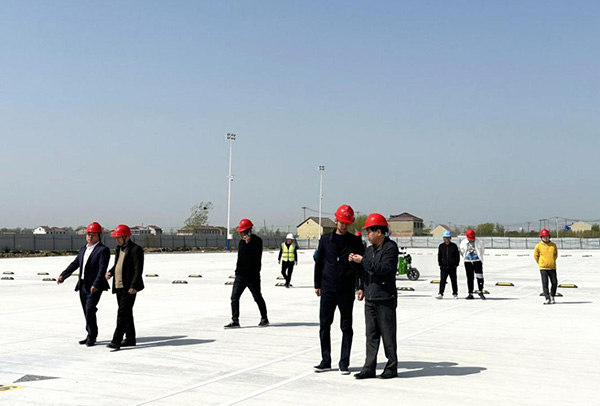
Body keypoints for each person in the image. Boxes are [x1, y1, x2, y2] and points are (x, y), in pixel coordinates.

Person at [313, 204, 364, 375]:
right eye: (342, 222)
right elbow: (319, 263)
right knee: (324, 325)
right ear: (336, 221)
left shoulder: (355, 241)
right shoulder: (325, 240)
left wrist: (361, 286)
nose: (344, 225)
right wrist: (317, 284)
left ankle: (344, 362)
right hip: (327, 289)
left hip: (346, 290)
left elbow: (361, 267)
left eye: (347, 223)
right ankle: (325, 360)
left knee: (346, 327)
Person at [350, 213, 399, 380]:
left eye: (369, 231)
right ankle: (369, 368)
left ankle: (391, 367)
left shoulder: (390, 248)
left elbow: (383, 269)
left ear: (379, 232)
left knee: (388, 335)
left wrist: (363, 261)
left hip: (385, 298)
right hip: (370, 298)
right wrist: (361, 287)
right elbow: (366, 271)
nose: (367, 235)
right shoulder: (370, 250)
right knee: (371, 335)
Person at [57, 222, 110, 346]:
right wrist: (63, 275)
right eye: (88, 234)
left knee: (90, 309)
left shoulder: (103, 250)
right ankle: (89, 333)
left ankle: (92, 336)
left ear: (99, 236)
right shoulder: (83, 249)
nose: (90, 236)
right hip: (82, 285)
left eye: (93, 234)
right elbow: (75, 264)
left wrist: (96, 284)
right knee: (86, 311)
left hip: (95, 286)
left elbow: (102, 268)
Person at [105, 224, 145, 350]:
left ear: (126, 237)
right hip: (118, 286)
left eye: (118, 237)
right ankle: (130, 338)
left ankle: (116, 341)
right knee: (127, 313)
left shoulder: (136, 249)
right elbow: (118, 264)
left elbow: (138, 270)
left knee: (122, 313)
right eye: (116, 238)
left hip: (129, 287)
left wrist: (134, 285)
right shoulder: (119, 249)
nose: (117, 240)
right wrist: (111, 272)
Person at [224, 219, 269, 328]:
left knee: (257, 297)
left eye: (242, 232)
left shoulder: (257, 241)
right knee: (234, 297)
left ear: (248, 231)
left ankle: (264, 318)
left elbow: (256, 255)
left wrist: (249, 243)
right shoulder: (241, 242)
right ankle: (235, 321)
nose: (240, 234)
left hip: (252, 276)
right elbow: (240, 258)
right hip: (240, 276)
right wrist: (237, 272)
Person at [459, 229, 486, 300]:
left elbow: (482, 251)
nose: (471, 239)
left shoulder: (479, 242)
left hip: (477, 261)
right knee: (470, 278)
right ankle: (470, 293)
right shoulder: (463, 242)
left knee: (480, 276)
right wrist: (466, 257)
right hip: (468, 262)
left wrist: (478, 257)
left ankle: (480, 291)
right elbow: (461, 251)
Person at [534, 229, 558, 305]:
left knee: (554, 283)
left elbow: (555, 255)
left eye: (547, 236)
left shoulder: (553, 245)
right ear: (541, 237)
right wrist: (540, 262)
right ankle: (547, 298)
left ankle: (552, 296)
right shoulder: (538, 246)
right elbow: (536, 256)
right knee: (545, 284)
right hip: (543, 268)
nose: (546, 238)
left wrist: (552, 261)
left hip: (552, 267)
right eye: (544, 237)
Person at [437, 230, 460, 299]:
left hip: (452, 267)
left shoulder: (454, 246)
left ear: (450, 238)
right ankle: (440, 293)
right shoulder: (441, 246)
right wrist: (440, 264)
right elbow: (439, 256)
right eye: (445, 238)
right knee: (442, 281)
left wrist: (456, 264)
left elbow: (457, 256)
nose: (446, 239)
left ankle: (455, 293)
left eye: (447, 238)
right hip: (444, 267)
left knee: (453, 281)